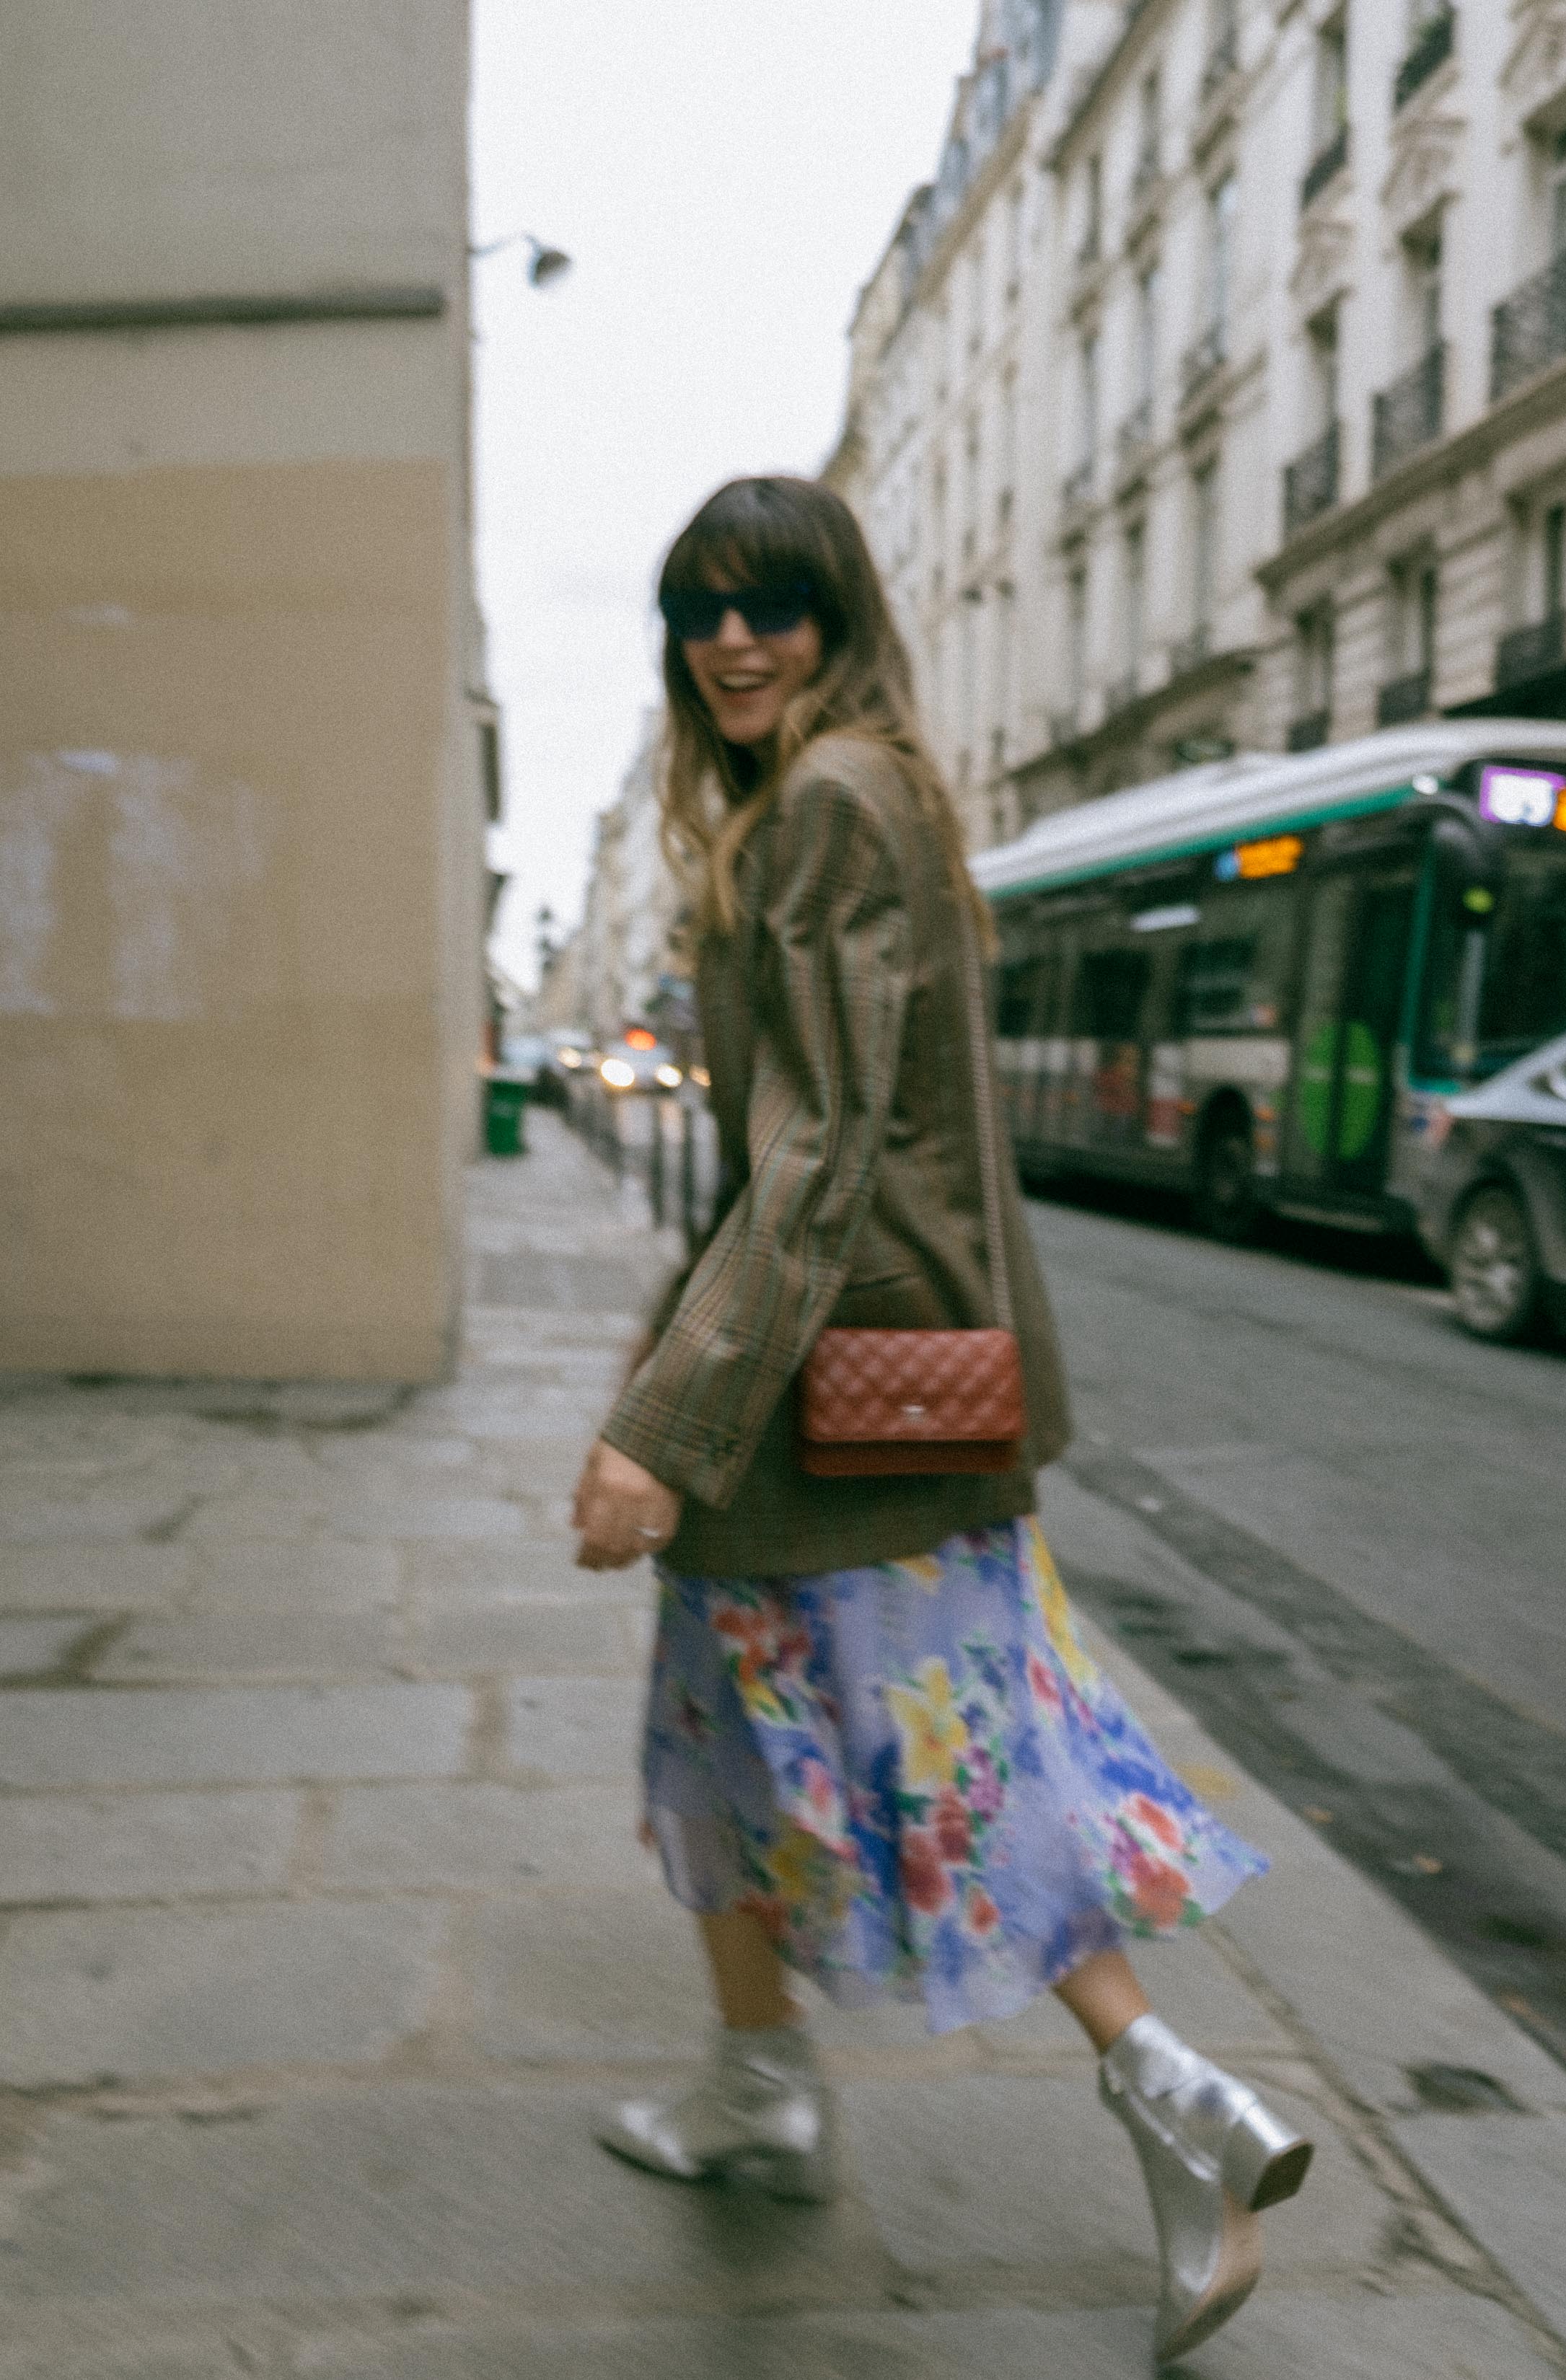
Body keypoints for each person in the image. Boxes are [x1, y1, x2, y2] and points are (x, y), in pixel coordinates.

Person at [571, 475, 1311, 2368]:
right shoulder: (875, 786)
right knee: (847, 1737)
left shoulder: (825, 803)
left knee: (924, 1765)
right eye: (699, 610)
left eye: (771, 606)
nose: (732, 639)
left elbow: (814, 1160)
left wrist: (666, 1421)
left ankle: (1158, 2087)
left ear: (837, 621)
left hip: (837, 1391)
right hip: (903, 1379)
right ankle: (775, 2081)